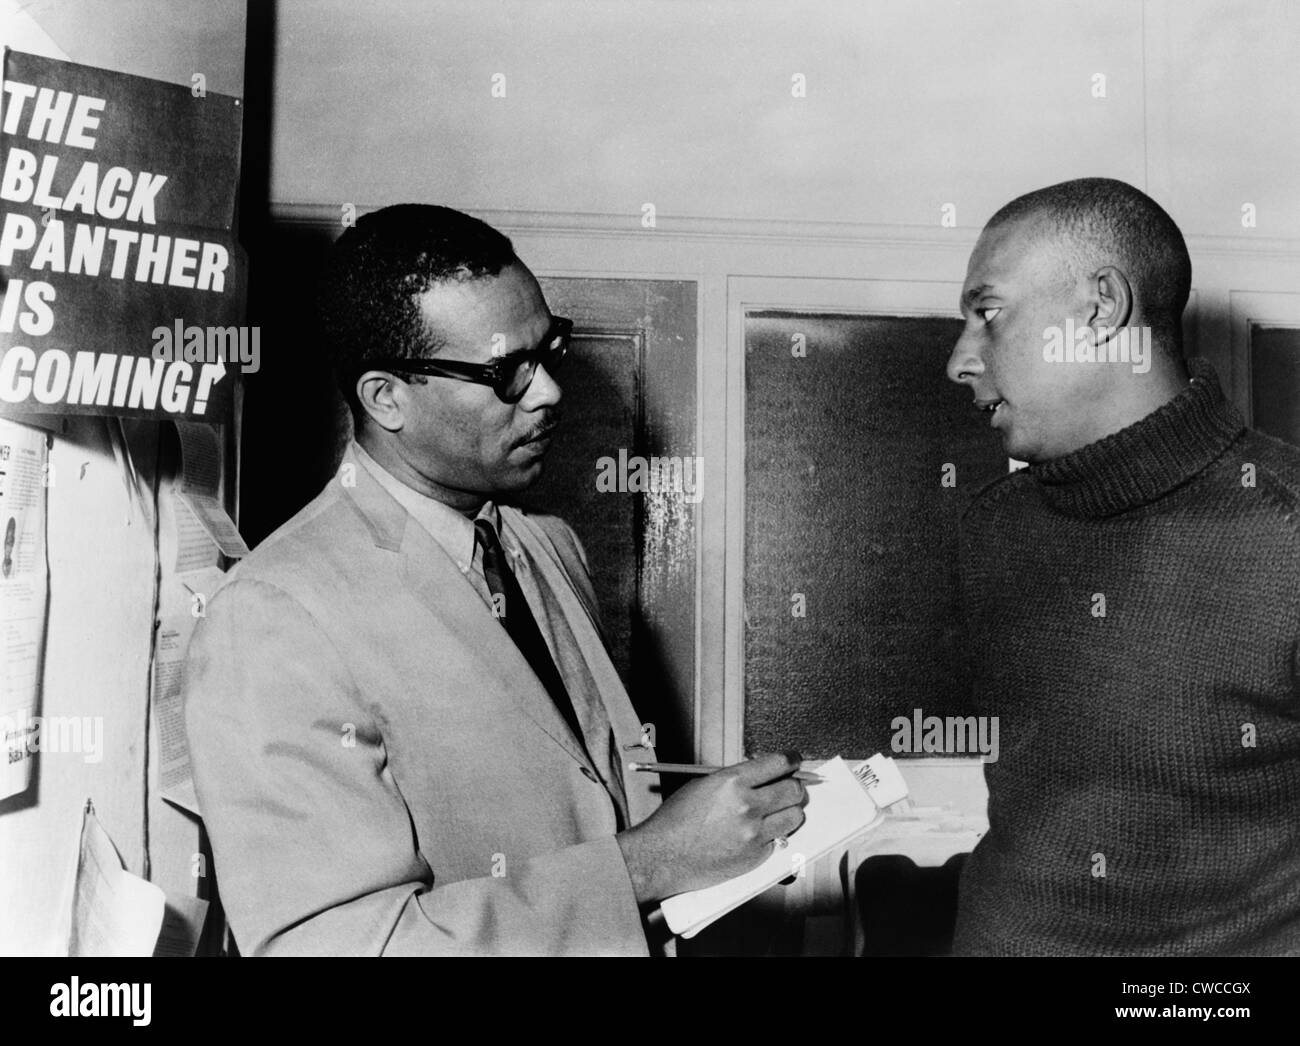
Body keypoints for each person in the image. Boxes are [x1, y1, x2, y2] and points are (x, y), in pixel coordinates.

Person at [183, 204, 807, 956]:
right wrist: (650, 862)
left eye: (550, 351)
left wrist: (709, 840)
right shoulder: (273, 615)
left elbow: (585, 797)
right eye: (506, 372)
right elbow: (342, 946)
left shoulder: (547, 543)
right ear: (386, 399)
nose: (548, 392)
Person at [945, 177, 1300, 955]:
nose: (960, 361)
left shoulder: (1288, 527)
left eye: (988, 313)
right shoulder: (992, 529)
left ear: (1100, 307)